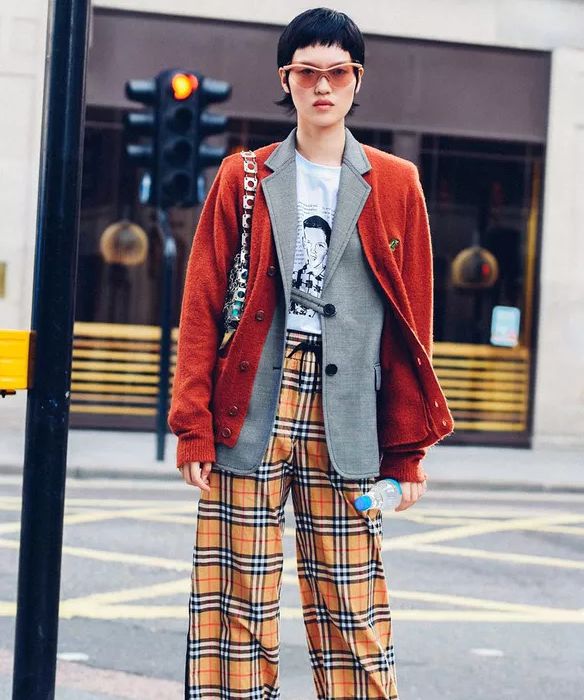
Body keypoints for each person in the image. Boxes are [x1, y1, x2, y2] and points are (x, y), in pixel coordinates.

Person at [168, 7, 453, 699]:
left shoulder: (395, 183)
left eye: (337, 72)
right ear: (285, 80)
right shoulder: (243, 176)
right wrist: (191, 424)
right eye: (307, 72)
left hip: (349, 411)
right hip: (250, 402)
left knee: (353, 608)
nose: (322, 86)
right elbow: (202, 306)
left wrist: (406, 450)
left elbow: (410, 323)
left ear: (358, 80)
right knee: (235, 601)